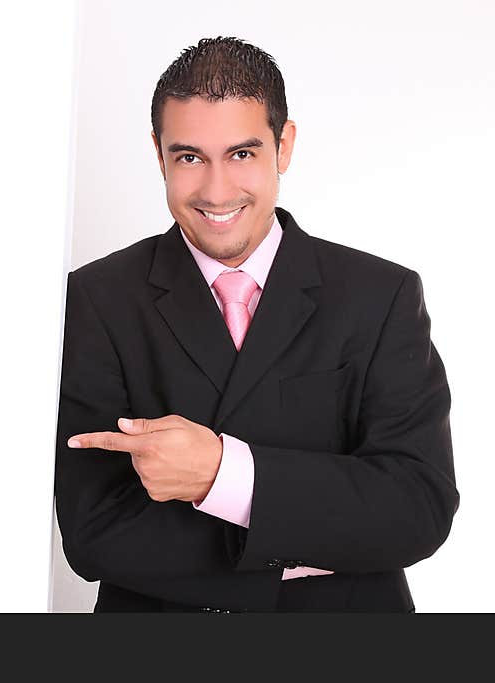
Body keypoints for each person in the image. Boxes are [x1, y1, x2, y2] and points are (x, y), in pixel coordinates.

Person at [54, 36, 459, 612]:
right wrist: (307, 548)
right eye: (189, 157)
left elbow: (418, 507)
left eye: (241, 154)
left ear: (283, 145)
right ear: (158, 151)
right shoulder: (97, 298)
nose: (216, 192)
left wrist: (222, 476)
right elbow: (93, 532)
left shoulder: (380, 295)